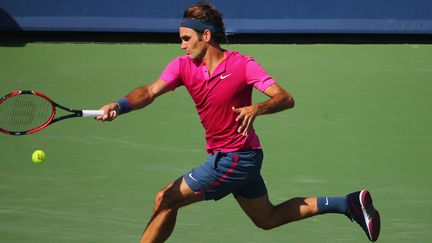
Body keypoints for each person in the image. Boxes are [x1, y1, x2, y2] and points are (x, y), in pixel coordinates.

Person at [96, 2, 381, 242]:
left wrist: (258, 108)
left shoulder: (242, 65)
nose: (181, 45)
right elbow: (148, 91)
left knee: (166, 199)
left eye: (186, 38)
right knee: (267, 218)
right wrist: (119, 106)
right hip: (243, 158)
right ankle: (348, 203)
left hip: (234, 159)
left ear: (205, 35)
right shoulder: (181, 66)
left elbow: (285, 98)